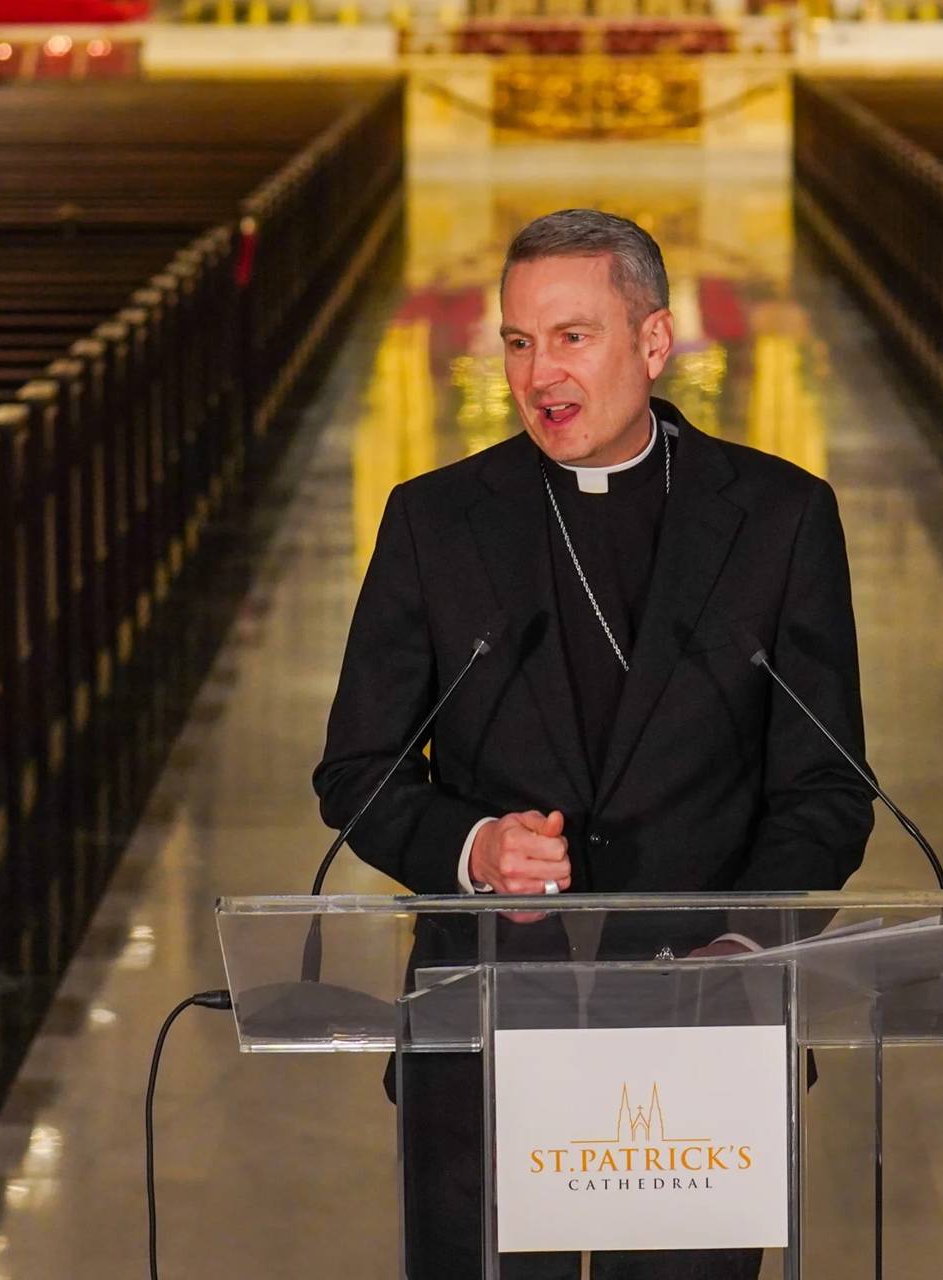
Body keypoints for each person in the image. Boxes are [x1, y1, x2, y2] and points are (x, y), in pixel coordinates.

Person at [312, 209, 874, 1279]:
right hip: (482, 1034)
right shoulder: (436, 520)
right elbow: (359, 770)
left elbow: (826, 789)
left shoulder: (780, 517)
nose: (539, 375)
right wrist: (473, 846)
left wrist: (750, 946)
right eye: (518, 341)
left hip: (701, 1046)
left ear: (654, 343)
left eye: (573, 336)